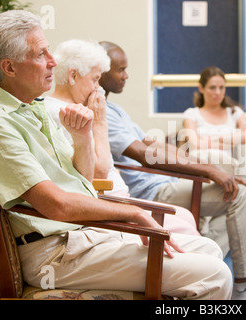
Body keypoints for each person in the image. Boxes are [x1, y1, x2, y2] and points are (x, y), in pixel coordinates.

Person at [0, 10, 232, 299]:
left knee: (210, 249)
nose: (53, 61)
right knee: (214, 274)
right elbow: (56, 205)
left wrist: (83, 137)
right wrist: (134, 214)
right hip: (54, 253)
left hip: (80, 235)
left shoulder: (32, 105)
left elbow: (83, 181)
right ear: (9, 67)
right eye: (40, 53)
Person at [100, 41, 246, 300]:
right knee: (240, 196)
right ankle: (243, 289)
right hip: (150, 193)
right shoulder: (101, 113)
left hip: (163, 183)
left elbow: (153, 145)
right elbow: (143, 154)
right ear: (99, 71)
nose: (126, 75)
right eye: (121, 70)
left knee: (235, 191)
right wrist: (208, 170)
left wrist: (209, 170)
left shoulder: (115, 109)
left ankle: (214, 273)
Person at [45, 39, 199, 236]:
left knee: (185, 217)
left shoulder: (75, 108)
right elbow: (99, 172)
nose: (98, 89)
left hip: (117, 199)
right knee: (185, 227)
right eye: (94, 80)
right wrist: (100, 122)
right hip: (105, 205)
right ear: (73, 76)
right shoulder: (67, 113)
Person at [182, 66, 246, 177]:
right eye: (212, 88)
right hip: (200, 166)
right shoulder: (191, 114)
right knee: (201, 156)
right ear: (201, 88)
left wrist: (218, 139)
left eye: (222, 87)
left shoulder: (234, 112)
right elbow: (196, 145)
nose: (218, 92)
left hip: (226, 167)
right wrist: (231, 141)